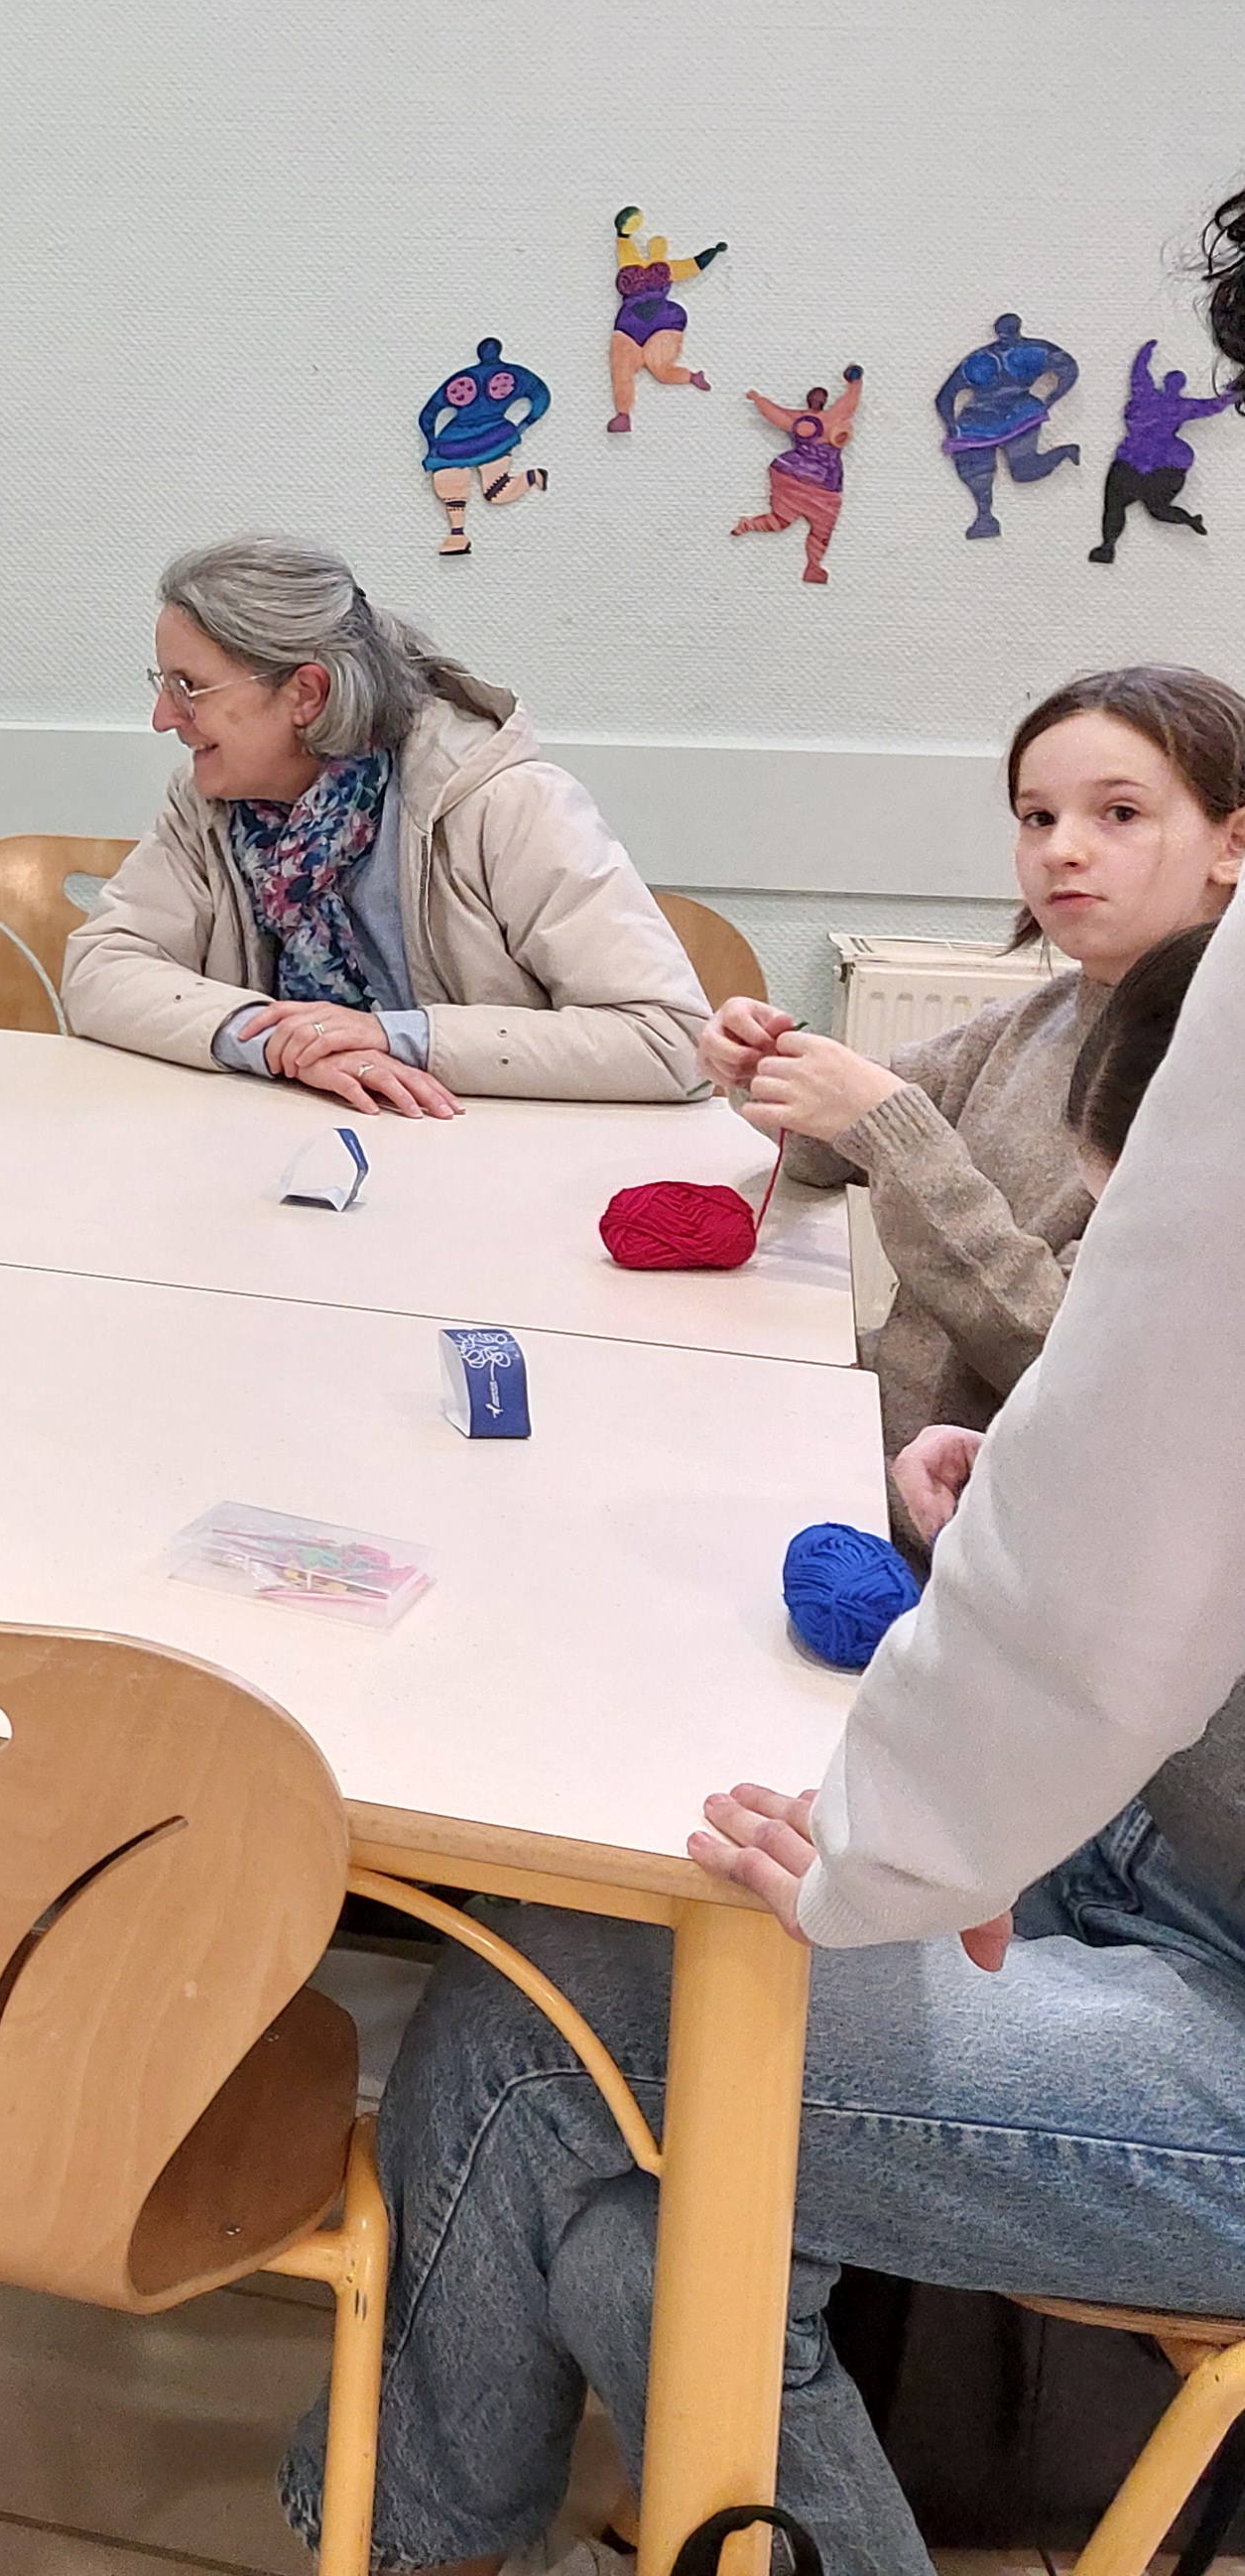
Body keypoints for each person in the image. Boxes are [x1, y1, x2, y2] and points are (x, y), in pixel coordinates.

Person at [282, 920, 1241, 2576]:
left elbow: (1125, 1652)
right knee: (646, 2252)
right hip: (1155, 1865)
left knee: (550, 2017)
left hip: (1204, 1970)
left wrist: (957, 1797)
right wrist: (1015, 1580)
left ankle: (395, 2547)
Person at [702, 664, 1245, 1483]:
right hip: (876, 1449)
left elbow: (1060, 1358)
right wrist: (767, 1067)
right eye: (1038, 817)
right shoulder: (1038, 1018)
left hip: (971, 1507)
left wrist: (891, 1131)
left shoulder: (1209, 1080)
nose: (1062, 849)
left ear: (1231, 845)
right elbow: (822, 1153)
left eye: (1120, 813)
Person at [62, 536, 706, 1111]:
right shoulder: (207, 801)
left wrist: (396, 1037)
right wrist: (274, 1041)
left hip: (491, 1160)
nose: (162, 717)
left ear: (306, 694)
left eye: (189, 687)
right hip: (287, 1142)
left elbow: (669, 1039)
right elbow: (100, 969)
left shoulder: (506, 802)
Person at [935, 312, 1082, 540]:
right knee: (975, 469)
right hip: (981, 422)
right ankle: (984, 517)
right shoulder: (990, 358)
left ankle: (1065, 452)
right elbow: (944, 398)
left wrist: (1051, 399)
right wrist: (951, 427)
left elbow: (1069, 369)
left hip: (1019, 416)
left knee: (1022, 471)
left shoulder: (1030, 352)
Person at [1091, 342, 1234, 562]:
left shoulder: (1146, 395)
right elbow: (1214, 405)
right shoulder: (1181, 406)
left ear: (1164, 383)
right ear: (1179, 386)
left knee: (1115, 506)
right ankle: (1189, 520)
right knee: (1157, 508)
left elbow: (1139, 372)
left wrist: (1145, 353)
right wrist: (1235, 391)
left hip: (1132, 459)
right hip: (1160, 465)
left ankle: (1108, 545)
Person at [728, 367, 864, 586]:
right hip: (821, 484)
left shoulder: (801, 420)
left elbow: (776, 415)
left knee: (783, 520)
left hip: (793, 474)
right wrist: (854, 383)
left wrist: (758, 399)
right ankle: (813, 565)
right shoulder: (832, 418)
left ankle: (750, 525)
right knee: (821, 528)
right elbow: (849, 402)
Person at [417, 338, 551, 558]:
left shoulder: (462, 378)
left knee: (454, 485)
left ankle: (457, 534)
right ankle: (457, 535)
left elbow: (427, 416)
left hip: (456, 443)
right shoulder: (518, 375)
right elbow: (541, 397)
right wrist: (522, 426)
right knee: (493, 491)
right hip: (495, 437)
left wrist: (433, 443)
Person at [606, 207, 725, 433]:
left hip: (664, 323)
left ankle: (691, 376)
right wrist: (623, 232)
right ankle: (623, 414)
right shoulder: (628, 262)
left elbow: (694, 265)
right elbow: (623, 242)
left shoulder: (668, 269)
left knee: (660, 367)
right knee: (621, 367)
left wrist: (714, 252)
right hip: (627, 327)